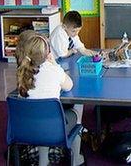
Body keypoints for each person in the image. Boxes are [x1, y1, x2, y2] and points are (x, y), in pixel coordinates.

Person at [17, 35, 84, 166]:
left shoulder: (23, 73)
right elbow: (69, 85)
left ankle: (43, 160)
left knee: (40, 114)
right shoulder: (54, 70)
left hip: (26, 126)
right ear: (48, 54)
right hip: (53, 128)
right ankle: (75, 158)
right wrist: (55, 64)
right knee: (79, 105)